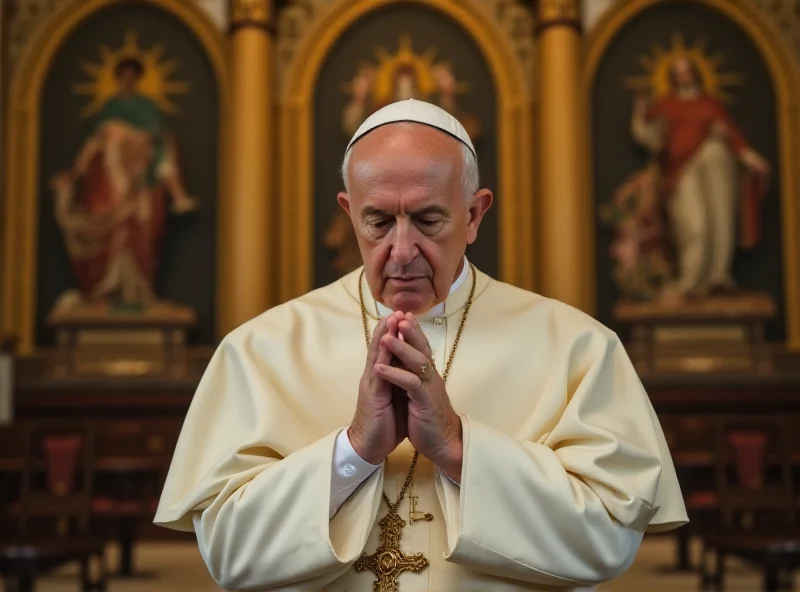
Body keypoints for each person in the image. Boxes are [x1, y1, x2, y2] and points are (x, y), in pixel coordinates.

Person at [155, 99, 687, 591]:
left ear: (475, 215)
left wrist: (458, 450)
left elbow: (611, 535)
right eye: (378, 221)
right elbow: (228, 549)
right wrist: (354, 451)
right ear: (348, 213)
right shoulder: (262, 349)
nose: (402, 250)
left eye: (429, 220)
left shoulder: (578, 347)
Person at [50, 57, 197, 307]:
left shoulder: (148, 108)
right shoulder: (109, 109)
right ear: (118, 78)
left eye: (132, 75)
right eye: (123, 75)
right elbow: (94, 145)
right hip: (110, 187)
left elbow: (161, 142)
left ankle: (137, 291)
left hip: (141, 186)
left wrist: (147, 164)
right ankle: (105, 290)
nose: (128, 80)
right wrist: (76, 173)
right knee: (108, 227)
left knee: (140, 232)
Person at [631, 56, 770, 303]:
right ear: (673, 78)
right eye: (678, 73)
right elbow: (650, 137)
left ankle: (717, 278)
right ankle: (689, 281)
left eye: (687, 72)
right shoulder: (667, 105)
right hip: (683, 171)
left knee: (720, 222)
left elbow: (733, 136)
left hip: (717, 169)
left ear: (695, 74)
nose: (684, 77)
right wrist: (640, 114)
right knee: (695, 227)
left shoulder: (710, 104)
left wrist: (751, 158)